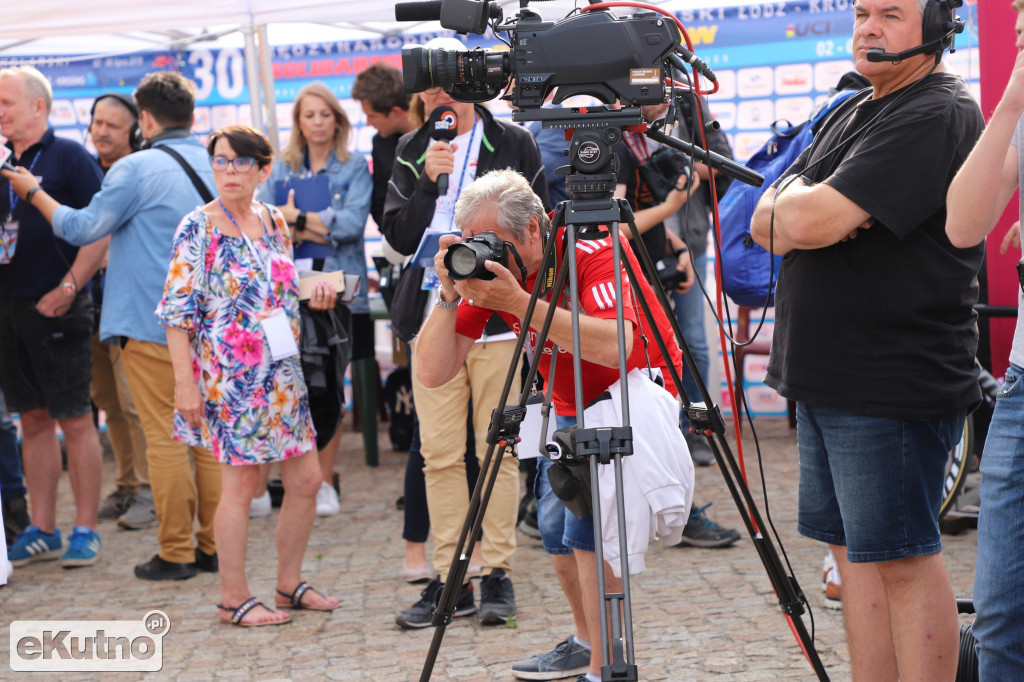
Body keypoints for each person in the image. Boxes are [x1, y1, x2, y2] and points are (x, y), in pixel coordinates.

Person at [749, 0, 984, 678]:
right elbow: (769, 215)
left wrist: (809, 213)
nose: (868, 28)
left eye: (890, 14)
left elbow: (813, 220)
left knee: (903, 559)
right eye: (860, 13)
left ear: (938, 28)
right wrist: (804, 212)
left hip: (889, 381)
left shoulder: (935, 112)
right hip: (829, 377)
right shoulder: (857, 110)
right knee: (852, 556)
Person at [417, 168, 690, 682]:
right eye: (477, 242)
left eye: (496, 242)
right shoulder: (496, 275)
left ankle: (604, 663)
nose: (487, 253)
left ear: (534, 231)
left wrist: (519, 304)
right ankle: (587, 640)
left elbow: (620, 346)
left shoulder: (592, 249)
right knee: (556, 532)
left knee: (588, 530)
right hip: (567, 405)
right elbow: (435, 371)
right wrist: (449, 294)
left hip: (629, 396)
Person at [3, 71, 223, 581]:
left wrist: (33, 191)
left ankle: (175, 551)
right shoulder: (220, 163)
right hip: (211, 323)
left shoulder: (135, 168)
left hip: (150, 323)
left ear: (144, 119)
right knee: (207, 437)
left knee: (165, 438)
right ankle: (212, 544)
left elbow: (81, 227)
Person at [383, 36, 550, 629]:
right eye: (427, 85)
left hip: (500, 318)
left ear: (475, 85)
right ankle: (450, 573)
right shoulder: (411, 146)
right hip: (434, 315)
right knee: (438, 456)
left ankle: (497, 571)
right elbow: (400, 238)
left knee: (498, 448)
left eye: (448, 81)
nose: (437, 94)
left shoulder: (515, 142)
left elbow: (538, 235)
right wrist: (428, 182)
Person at [158, 125, 341, 627]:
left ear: (264, 169)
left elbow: (274, 287)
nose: (230, 171)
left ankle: (288, 584)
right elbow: (177, 314)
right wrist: (184, 384)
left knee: (306, 480)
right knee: (241, 488)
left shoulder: (273, 220)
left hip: (283, 372)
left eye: (241, 162)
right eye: (221, 161)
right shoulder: (198, 227)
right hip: (229, 378)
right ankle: (232, 598)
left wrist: (317, 291)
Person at [613, 103, 742, 550]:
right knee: (648, 399)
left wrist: (675, 244)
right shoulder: (615, 144)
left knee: (661, 390)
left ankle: (673, 507)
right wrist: (673, 204)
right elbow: (615, 228)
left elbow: (636, 217)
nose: (657, 105)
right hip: (627, 286)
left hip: (654, 270)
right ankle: (669, 511)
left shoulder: (636, 138)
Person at [0, 65, 107, 569]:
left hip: (59, 307)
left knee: (76, 419)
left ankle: (86, 528)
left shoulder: (70, 158)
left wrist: (68, 289)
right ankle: (43, 527)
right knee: (32, 420)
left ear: (37, 107)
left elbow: (102, 231)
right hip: (9, 309)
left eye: (6, 103)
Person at [945, 1, 1024, 676]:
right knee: (999, 612)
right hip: (1023, 382)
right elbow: (964, 225)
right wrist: (1008, 109)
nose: (1020, 25)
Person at [258, 82, 372, 518]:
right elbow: (268, 226)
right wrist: (298, 223)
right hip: (288, 294)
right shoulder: (280, 167)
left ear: (338, 121)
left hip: (337, 291)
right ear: (299, 122)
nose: (319, 122)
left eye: (326, 114)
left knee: (331, 386)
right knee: (286, 384)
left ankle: (323, 481)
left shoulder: (354, 166)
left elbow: (350, 226)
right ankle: (283, 481)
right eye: (310, 115)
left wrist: (299, 218)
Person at [86, 92, 154, 530]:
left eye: (112, 125)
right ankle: (128, 484)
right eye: (96, 123)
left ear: (134, 130)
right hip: (89, 304)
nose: (102, 132)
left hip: (132, 307)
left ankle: (150, 490)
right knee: (107, 400)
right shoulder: (87, 171)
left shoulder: (141, 174)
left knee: (135, 405)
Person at [350, 62, 415, 227]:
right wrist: (397, 237)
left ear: (396, 112)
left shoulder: (440, 134)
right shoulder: (380, 144)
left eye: (372, 116)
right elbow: (380, 205)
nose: (367, 122)